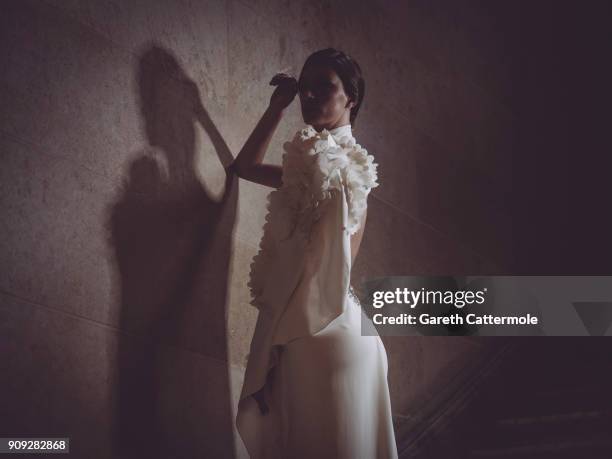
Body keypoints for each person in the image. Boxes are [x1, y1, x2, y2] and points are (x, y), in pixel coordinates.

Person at [230, 48, 398, 459]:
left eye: (325, 86)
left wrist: (269, 350)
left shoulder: (328, 161)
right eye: (305, 87)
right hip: (339, 331)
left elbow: (305, 267)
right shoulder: (345, 162)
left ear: (350, 99)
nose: (309, 95)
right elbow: (246, 168)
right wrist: (277, 106)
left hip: (317, 332)